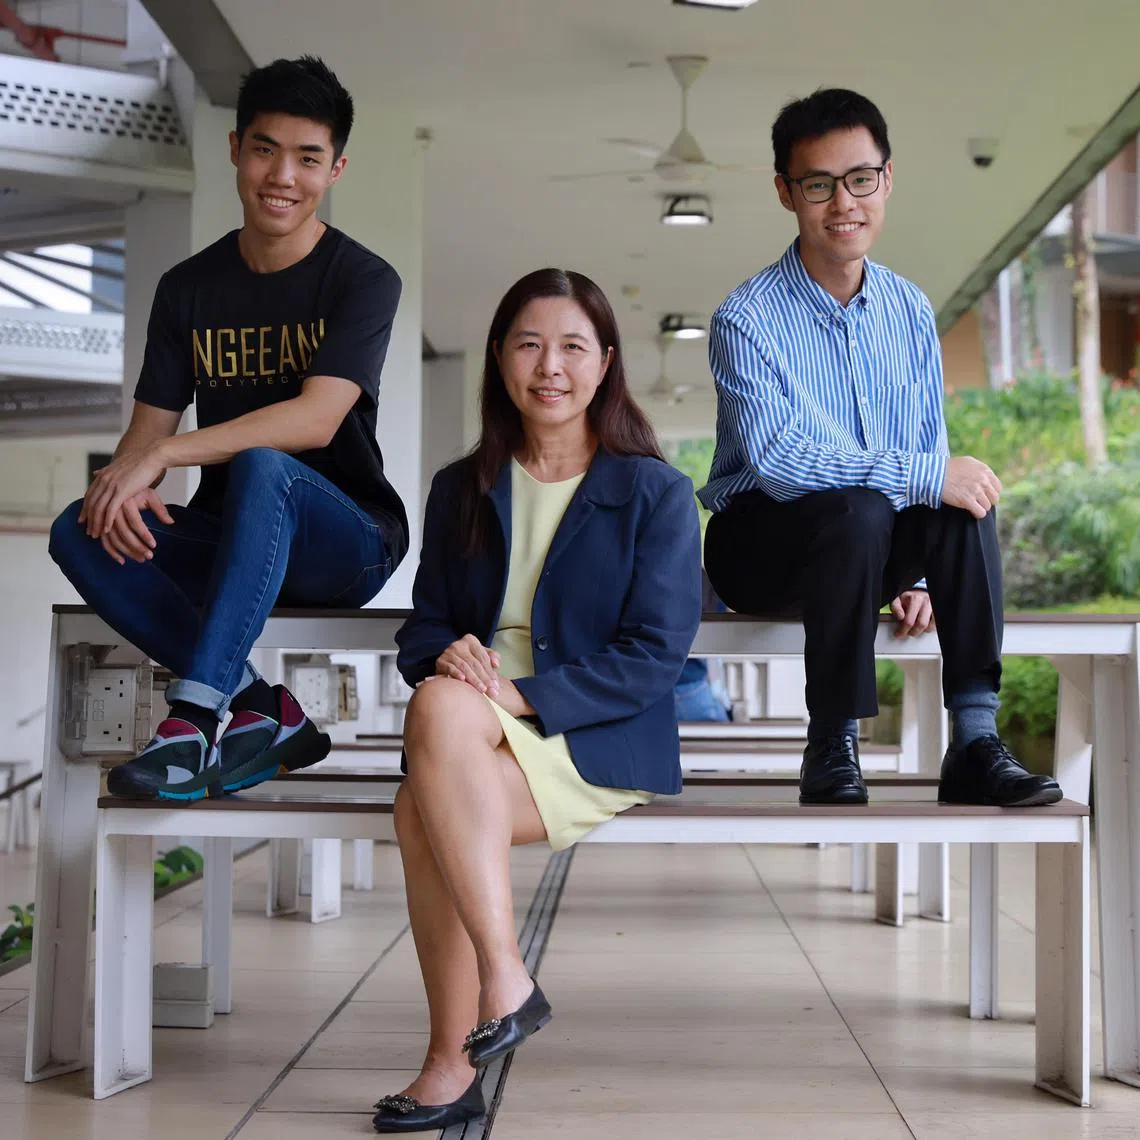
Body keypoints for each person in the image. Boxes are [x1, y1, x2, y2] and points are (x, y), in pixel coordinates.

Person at [374, 269, 701, 1132]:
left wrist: (511, 695)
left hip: (596, 731)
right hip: (472, 733)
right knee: (428, 767)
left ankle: (458, 1050)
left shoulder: (655, 493)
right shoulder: (462, 487)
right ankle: (500, 989)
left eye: (571, 347)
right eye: (528, 344)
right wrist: (447, 650)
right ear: (498, 359)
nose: (548, 366)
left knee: (431, 761)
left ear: (605, 365)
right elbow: (424, 629)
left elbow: (655, 659)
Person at [48, 55, 408, 801]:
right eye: (265, 149)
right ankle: (260, 707)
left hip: (348, 544)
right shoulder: (188, 289)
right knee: (80, 526)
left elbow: (315, 419)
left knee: (263, 464)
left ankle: (189, 727)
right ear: (236, 149)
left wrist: (166, 455)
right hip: (233, 540)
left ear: (335, 168)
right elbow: (142, 439)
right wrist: (122, 491)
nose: (283, 176)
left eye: (307, 158)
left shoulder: (363, 280)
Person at [699, 88, 1060, 809]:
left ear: (886, 180)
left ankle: (976, 741)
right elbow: (778, 461)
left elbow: (930, 451)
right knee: (864, 505)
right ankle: (831, 740)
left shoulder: (908, 309)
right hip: (761, 546)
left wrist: (920, 574)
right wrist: (919, 479)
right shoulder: (746, 318)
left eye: (861, 179)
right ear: (786, 192)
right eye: (819, 185)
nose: (844, 204)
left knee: (965, 496)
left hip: (866, 540)